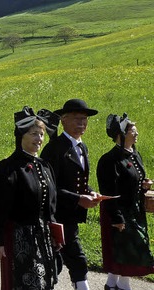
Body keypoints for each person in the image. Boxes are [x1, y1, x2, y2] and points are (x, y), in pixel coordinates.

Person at [0, 106, 61, 289]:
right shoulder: (7, 168)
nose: (39, 139)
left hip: (43, 236)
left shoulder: (45, 167)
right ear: (22, 135)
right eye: (34, 134)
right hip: (19, 238)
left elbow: (51, 204)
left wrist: (54, 232)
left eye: (42, 134)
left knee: (45, 283)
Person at [40, 99, 100, 290]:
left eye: (84, 119)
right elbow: (50, 187)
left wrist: (90, 192)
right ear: (64, 120)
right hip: (57, 215)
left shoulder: (82, 147)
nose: (82, 123)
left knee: (70, 258)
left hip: (72, 215)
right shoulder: (54, 148)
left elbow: (77, 181)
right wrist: (78, 199)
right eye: (77, 119)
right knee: (69, 258)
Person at [97, 113, 154, 290]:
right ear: (121, 134)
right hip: (119, 213)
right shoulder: (109, 160)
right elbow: (109, 192)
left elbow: (133, 181)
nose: (136, 133)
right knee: (126, 253)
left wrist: (144, 185)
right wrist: (116, 218)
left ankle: (111, 285)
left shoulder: (134, 154)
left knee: (126, 253)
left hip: (135, 210)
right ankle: (122, 287)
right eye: (132, 130)